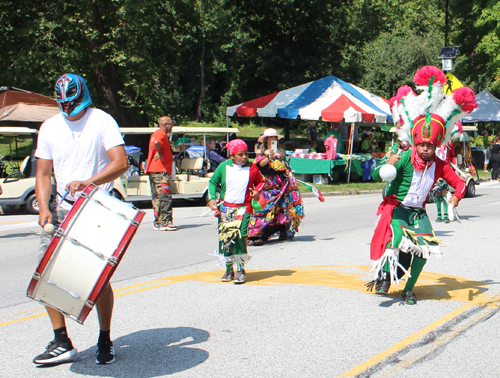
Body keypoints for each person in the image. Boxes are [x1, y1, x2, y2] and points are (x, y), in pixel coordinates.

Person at [34, 73, 129, 364]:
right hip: (63, 209)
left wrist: (89, 181)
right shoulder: (49, 127)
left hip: (97, 207)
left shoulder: (101, 120)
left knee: (97, 280)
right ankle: (61, 341)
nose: (68, 108)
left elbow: (120, 163)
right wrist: (43, 207)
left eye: (72, 102)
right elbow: (43, 173)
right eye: (63, 103)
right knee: (47, 275)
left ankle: (104, 338)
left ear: (83, 96)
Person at [367, 66, 476, 305]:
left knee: (425, 249)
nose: (426, 148)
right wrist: (388, 165)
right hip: (398, 209)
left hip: (417, 213)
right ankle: (385, 277)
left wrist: (457, 196)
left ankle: (408, 290)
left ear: (435, 144)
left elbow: (459, 182)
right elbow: (377, 175)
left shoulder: (439, 163)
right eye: (422, 144)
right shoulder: (404, 157)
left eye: (430, 145)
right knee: (394, 241)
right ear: (415, 143)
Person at [207, 139, 263, 284]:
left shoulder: (252, 168)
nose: (244, 157)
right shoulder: (223, 167)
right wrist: (212, 198)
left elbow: (261, 182)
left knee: (240, 235)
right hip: (225, 208)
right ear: (232, 155)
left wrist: (257, 192)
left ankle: (240, 269)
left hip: (244, 207)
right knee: (226, 238)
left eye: (246, 154)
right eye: (240, 154)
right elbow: (213, 182)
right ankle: (228, 269)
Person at [247, 128, 304, 246]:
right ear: (266, 139)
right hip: (268, 184)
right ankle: (259, 233)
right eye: (271, 137)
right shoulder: (261, 152)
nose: (273, 139)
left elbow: (284, 165)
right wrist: (269, 156)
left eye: (275, 138)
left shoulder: (280, 151)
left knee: (281, 207)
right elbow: (260, 164)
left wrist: (287, 171)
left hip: (280, 184)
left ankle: (282, 230)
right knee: (265, 207)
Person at [145, 116, 178, 231]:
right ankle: (166, 221)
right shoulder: (161, 134)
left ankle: (158, 222)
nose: (171, 126)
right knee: (165, 196)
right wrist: (160, 152)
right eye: (170, 124)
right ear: (165, 125)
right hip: (161, 170)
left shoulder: (155, 133)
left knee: (157, 197)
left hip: (153, 170)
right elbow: (157, 142)